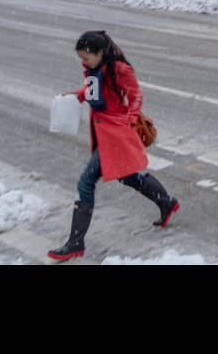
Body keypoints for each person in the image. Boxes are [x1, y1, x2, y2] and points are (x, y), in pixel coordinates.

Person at [48, 30, 178, 261]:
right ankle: (167, 202)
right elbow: (94, 92)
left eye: (86, 57)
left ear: (100, 52)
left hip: (116, 134)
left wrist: (129, 120)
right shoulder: (94, 70)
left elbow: (136, 96)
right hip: (103, 132)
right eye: (81, 58)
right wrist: (78, 95)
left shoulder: (120, 70)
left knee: (86, 182)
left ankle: (75, 242)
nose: (83, 61)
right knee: (126, 176)